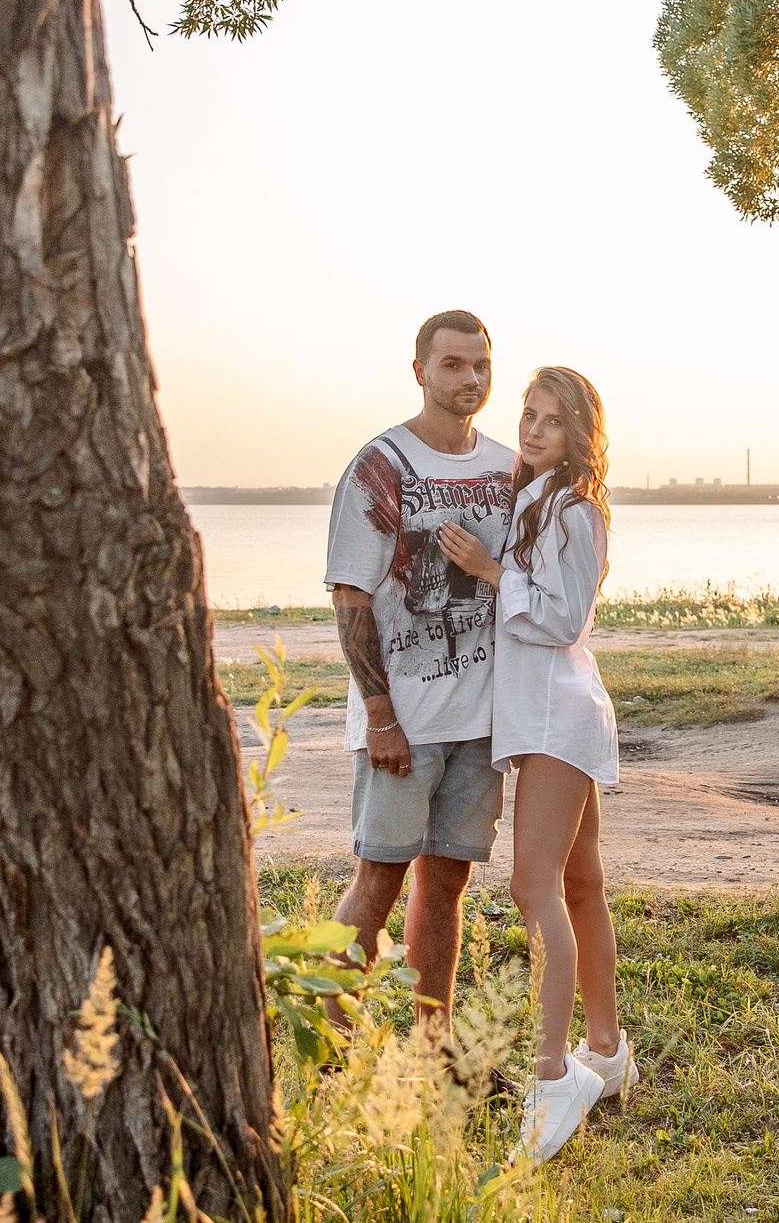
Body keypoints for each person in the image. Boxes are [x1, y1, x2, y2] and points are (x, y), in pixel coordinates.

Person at [440, 365, 631, 1163]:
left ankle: (554, 1074)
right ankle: (608, 1050)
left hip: (559, 716)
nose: (531, 428)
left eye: (551, 420)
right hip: (544, 716)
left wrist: (491, 572)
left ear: (578, 433)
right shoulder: (533, 497)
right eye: (527, 413)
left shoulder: (578, 509)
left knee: (533, 887)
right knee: (580, 884)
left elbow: (562, 619)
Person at [323, 310, 515, 1023]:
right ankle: (333, 1039)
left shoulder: (506, 466)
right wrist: (379, 716)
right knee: (379, 878)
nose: (470, 378)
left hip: (483, 719)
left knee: (447, 884)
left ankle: (435, 1048)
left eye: (481, 366)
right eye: (454, 364)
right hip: (403, 721)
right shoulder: (381, 464)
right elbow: (350, 593)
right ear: (421, 371)